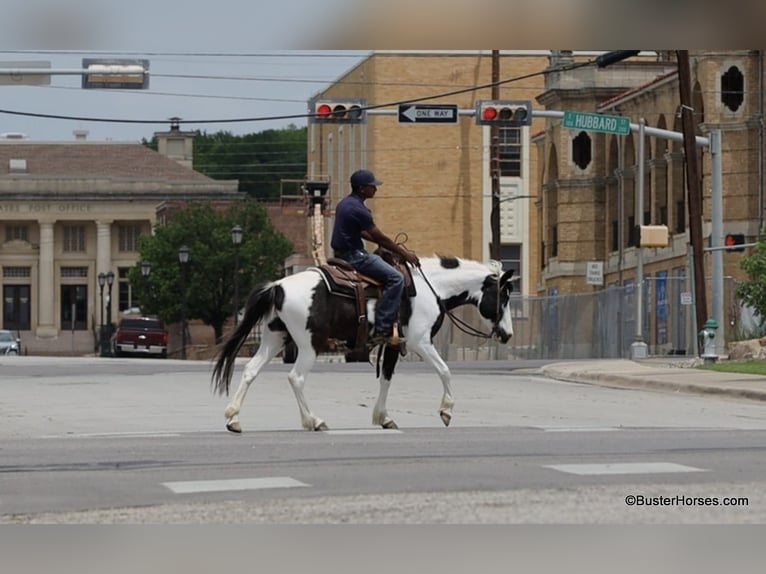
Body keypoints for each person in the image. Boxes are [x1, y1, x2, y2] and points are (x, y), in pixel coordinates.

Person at [331, 169, 420, 346]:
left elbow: (362, 232)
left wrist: (382, 245)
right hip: (354, 256)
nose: (375, 190)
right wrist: (405, 254)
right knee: (396, 278)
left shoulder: (345, 203)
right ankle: (383, 329)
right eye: (372, 186)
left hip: (340, 252)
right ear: (362, 188)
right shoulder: (360, 209)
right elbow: (379, 236)